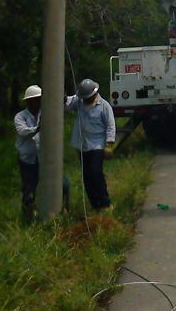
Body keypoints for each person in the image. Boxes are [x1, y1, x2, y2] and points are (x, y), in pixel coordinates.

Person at [14, 84, 70, 220]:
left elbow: (61, 109)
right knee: (29, 190)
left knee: (63, 184)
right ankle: (28, 217)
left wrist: (61, 100)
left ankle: (65, 209)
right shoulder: (20, 117)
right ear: (28, 101)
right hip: (28, 159)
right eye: (34, 99)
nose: (37, 102)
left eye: (39, 99)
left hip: (45, 157)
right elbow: (22, 131)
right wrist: (38, 128)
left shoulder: (46, 113)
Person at [67, 79, 116, 210]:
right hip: (82, 145)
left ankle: (105, 203)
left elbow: (110, 126)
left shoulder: (104, 106)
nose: (85, 100)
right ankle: (95, 205)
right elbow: (67, 102)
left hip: (97, 145)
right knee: (87, 176)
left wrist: (109, 145)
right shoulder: (79, 101)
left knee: (96, 173)